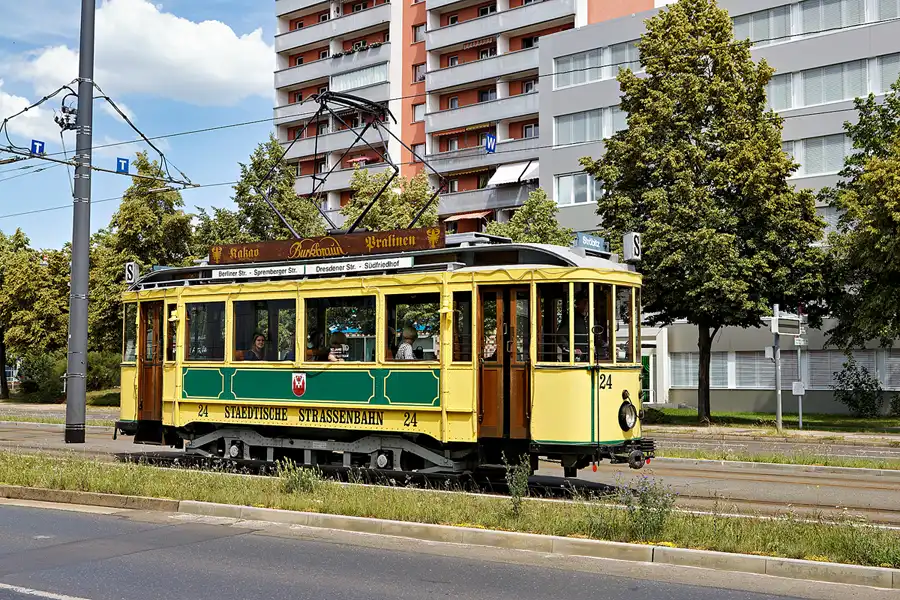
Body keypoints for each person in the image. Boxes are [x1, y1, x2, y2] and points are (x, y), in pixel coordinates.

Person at [556, 290, 590, 360]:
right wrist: (571, 350)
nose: (586, 304)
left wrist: (610, 347)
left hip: (589, 359)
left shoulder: (591, 318)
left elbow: (597, 337)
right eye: (584, 302)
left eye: (588, 302)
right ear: (577, 304)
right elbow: (560, 336)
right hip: (574, 359)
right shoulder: (570, 318)